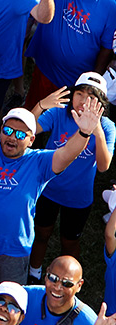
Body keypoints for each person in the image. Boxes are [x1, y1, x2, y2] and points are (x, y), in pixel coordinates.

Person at [0, 60, 100, 298]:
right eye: (7, 130)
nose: (11, 138)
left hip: (12, 252)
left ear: (31, 139)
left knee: (8, 305)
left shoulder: (39, 162)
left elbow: (67, 154)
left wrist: (85, 132)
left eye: (20, 134)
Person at [28, 72, 115, 278]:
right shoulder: (59, 114)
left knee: (70, 241)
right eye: (79, 94)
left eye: (92, 98)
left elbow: (103, 166)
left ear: (102, 104)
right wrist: (41, 105)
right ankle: (34, 273)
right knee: (41, 233)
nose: (84, 101)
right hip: (47, 188)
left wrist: (97, 131)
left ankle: (68, 279)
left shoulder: (108, 127)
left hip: (78, 198)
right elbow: (26, 129)